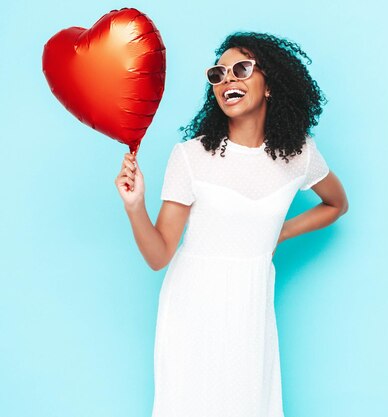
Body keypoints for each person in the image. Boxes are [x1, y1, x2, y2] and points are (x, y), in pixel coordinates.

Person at [114, 31, 348, 417]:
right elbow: (159, 256)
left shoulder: (300, 155)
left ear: (269, 84)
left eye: (241, 69)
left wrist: (280, 233)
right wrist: (135, 205)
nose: (228, 80)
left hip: (251, 306)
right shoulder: (190, 156)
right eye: (218, 74)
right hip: (192, 307)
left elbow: (336, 204)